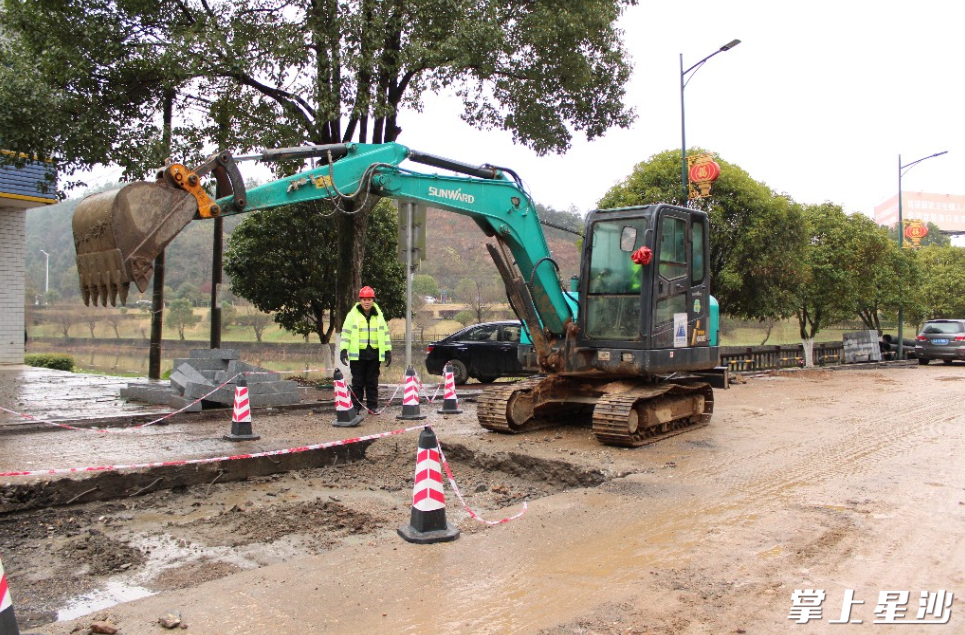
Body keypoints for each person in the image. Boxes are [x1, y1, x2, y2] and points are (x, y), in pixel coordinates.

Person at [339, 286, 392, 415]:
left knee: (372, 382)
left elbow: (385, 334)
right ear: (360, 300)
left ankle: (372, 407)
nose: (366, 302)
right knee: (357, 382)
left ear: (373, 300)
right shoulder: (352, 315)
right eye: (364, 299)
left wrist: (387, 351)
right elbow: (345, 333)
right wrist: (343, 350)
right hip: (358, 355)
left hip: (374, 354)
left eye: (369, 299)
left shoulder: (378, 315)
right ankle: (356, 407)